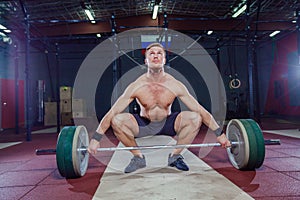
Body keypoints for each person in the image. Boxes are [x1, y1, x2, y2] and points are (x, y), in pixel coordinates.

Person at [88, 43, 231, 173]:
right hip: (144, 124)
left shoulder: (175, 84)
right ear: (146, 61)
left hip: (167, 123)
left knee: (195, 117)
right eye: (151, 53)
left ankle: (175, 156)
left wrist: (219, 133)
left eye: (159, 53)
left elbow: (200, 110)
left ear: (164, 60)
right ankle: (138, 158)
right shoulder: (136, 85)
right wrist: (96, 138)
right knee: (117, 119)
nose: (155, 55)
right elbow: (113, 111)